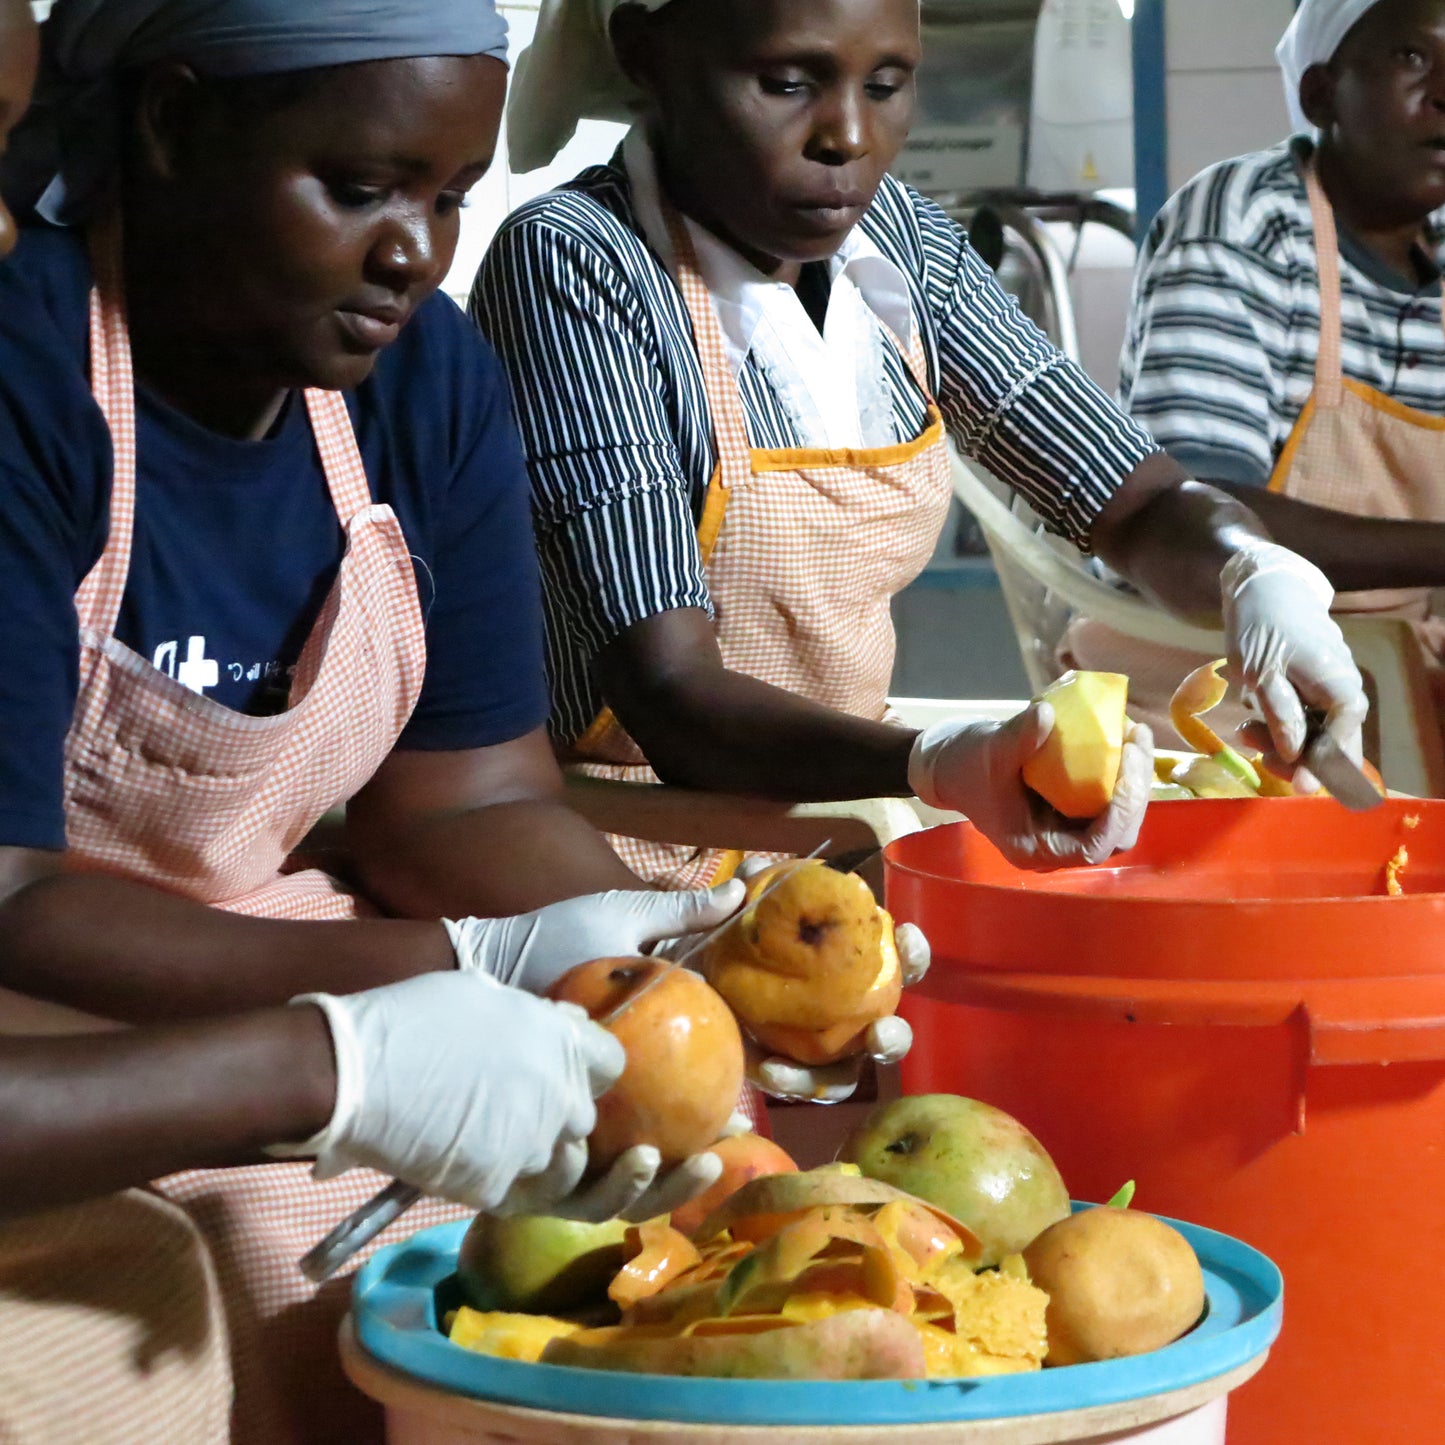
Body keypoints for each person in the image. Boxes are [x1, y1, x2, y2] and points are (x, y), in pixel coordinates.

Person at [0, 1, 803, 1439]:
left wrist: (669, 966)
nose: (413, 255)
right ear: (173, 123)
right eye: (360, 189)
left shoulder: (422, 378)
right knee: (261, 1240)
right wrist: (439, 982)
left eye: (447, 199)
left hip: (290, 938)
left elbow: (468, 804)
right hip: (49, 996)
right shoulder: (31, 384)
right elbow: (11, 901)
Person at [472, 0, 1370, 894]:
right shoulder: (575, 264)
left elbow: (1133, 501)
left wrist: (1253, 576)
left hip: (842, 832)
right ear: (644, 55)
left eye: (888, 85)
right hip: (622, 858)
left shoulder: (898, 245)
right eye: (788, 84)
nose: (849, 137)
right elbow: (668, 694)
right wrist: (936, 761)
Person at [1102, 0, 1445, 745]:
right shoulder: (1242, 224)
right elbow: (1189, 504)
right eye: (1412, 59)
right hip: (1213, 676)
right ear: (1321, 95)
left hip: (1391, 675)